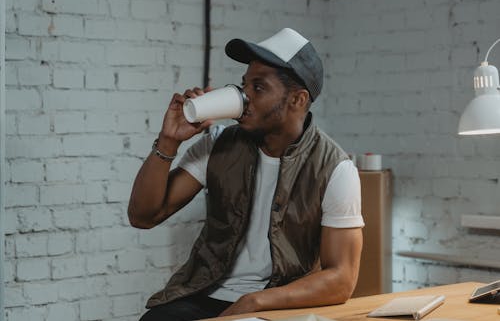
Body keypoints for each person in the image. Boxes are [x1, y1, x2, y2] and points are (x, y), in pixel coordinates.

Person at [128, 28, 364, 321]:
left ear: (298, 100)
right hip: (205, 294)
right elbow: (144, 216)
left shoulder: (334, 169)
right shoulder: (219, 144)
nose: (244, 97)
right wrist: (169, 140)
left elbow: (342, 278)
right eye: (244, 85)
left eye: (258, 88)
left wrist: (254, 302)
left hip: (278, 302)